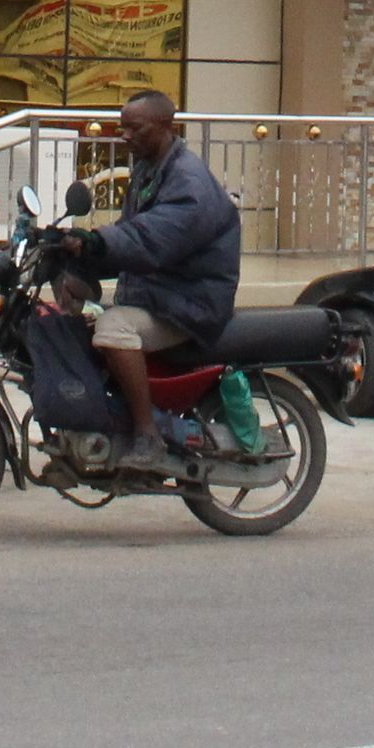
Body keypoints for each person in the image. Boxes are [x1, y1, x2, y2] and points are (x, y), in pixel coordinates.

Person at [58, 90, 238, 474]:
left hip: (189, 304)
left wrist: (97, 241)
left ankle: (148, 433)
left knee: (112, 327)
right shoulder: (149, 170)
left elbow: (150, 240)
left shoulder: (189, 183)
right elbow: (131, 237)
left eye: (133, 128)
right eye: (121, 127)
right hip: (158, 296)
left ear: (164, 126)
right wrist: (79, 260)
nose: (124, 135)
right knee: (81, 323)